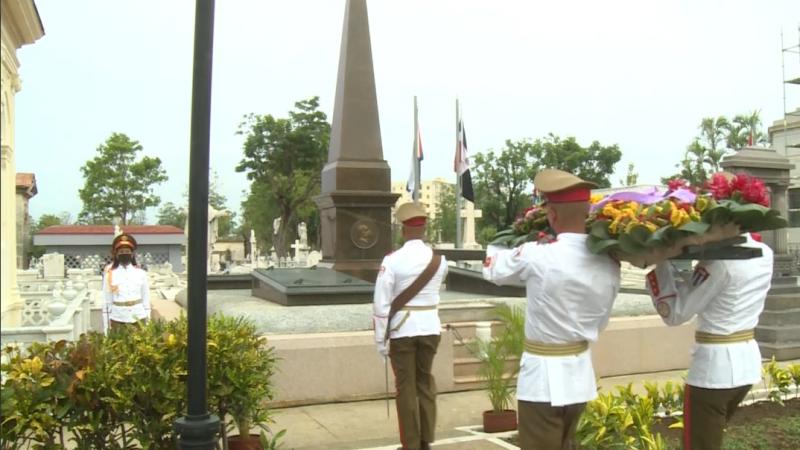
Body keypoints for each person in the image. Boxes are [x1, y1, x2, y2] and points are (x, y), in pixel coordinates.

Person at [482, 169, 621, 450]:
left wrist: (505, 242)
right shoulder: (610, 262)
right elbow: (602, 320)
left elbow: (493, 270)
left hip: (542, 381)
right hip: (579, 375)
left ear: (552, 215)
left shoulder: (538, 253)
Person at [645, 232, 773, 450]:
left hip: (714, 370)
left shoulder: (718, 264)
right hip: (746, 363)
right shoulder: (765, 253)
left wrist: (661, 264)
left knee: (699, 444)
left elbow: (676, 314)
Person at [373, 202, 448, 450]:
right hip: (430, 328)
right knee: (425, 383)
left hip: (403, 330)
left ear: (402, 228)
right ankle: (426, 440)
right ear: (424, 228)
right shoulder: (440, 261)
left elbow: (382, 304)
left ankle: (411, 444)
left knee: (405, 388)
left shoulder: (392, 261)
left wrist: (380, 341)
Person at [101, 233, 151, 333]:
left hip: (138, 317)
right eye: (121, 251)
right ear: (116, 254)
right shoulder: (110, 275)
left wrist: (148, 321)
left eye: (127, 251)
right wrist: (106, 328)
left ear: (132, 254)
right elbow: (106, 302)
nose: (125, 254)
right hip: (118, 318)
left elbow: (146, 299)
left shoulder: (141, 274)